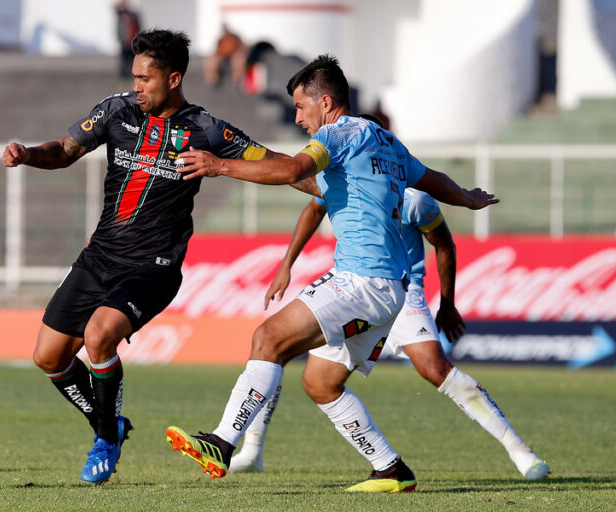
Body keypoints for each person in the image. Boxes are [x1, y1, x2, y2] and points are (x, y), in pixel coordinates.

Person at [164, 55, 498, 492]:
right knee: (321, 383)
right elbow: (428, 178)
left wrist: (218, 165)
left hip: (362, 282)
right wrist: (467, 198)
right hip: (390, 287)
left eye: (302, 107)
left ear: (326, 101)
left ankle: (222, 443)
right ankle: (391, 470)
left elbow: (293, 170)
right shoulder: (382, 140)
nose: (298, 117)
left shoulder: (338, 133)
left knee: (268, 339)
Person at [1, 29, 275, 485]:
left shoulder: (206, 128)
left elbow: (272, 162)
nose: (137, 87)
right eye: (133, 78)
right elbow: (65, 151)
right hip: (100, 257)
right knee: (48, 357)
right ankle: (111, 426)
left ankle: (106, 440)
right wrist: (28, 154)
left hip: (153, 267)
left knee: (99, 336)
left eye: (145, 79)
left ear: (173, 78)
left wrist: (315, 177)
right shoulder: (116, 111)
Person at [228, 186, 550, 481]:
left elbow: (444, 245)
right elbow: (313, 209)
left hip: (402, 292)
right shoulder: (343, 181)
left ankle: (519, 450)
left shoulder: (415, 200)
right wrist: (287, 264)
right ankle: (253, 451)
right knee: (297, 366)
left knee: (434, 368)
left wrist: (448, 304)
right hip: (352, 291)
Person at [115, 0, 140, 79]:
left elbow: (137, 27)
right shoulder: (121, 16)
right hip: (125, 43)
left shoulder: (133, 16)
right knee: (125, 62)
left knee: (132, 61)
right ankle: (125, 78)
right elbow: (115, 8)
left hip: (132, 43)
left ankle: (132, 77)